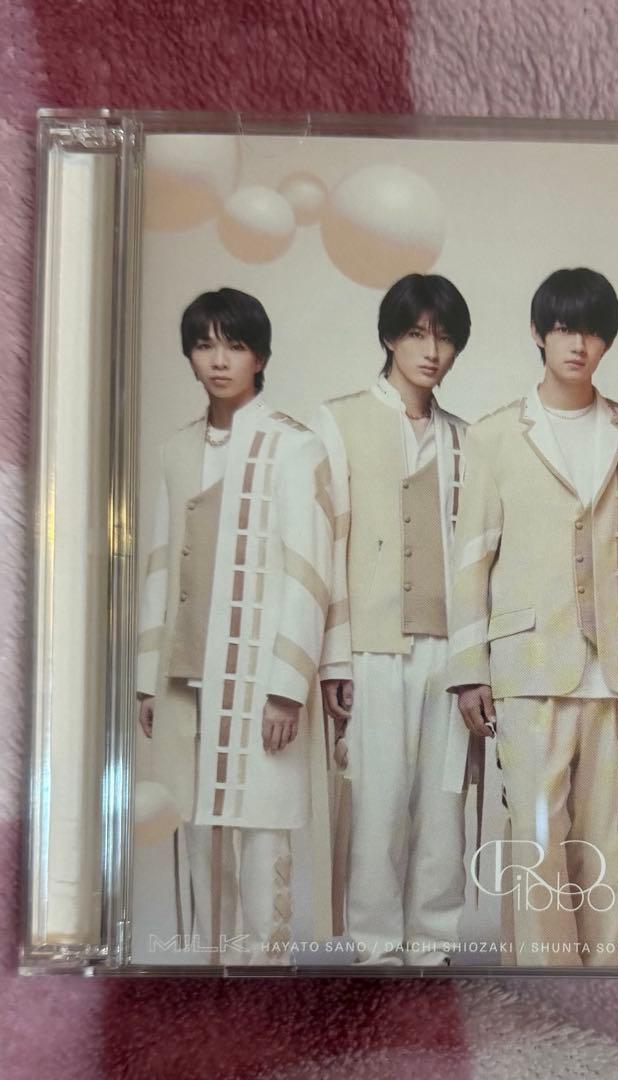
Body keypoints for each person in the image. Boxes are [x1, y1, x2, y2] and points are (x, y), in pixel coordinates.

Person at [445, 267, 618, 967]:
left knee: (609, 837)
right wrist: (469, 669)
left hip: (617, 665)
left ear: (608, 341)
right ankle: (545, 985)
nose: (579, 344)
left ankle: (599, 984)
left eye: (594, 331)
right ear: (538, 333)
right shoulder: (494, 436)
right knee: (537, 837)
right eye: (565, 328)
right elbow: (470, 561)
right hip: (527, 664)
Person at [136, 287, 334, 962]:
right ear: (190, 355)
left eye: (235, 345)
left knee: (261, 837)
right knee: (198, 836)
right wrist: (148, 680)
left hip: (258, 677)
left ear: (261, 357)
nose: (219, 361)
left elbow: (309, 572)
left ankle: (265, 989)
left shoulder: (293, 446)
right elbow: (160, 564)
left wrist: (287, 687)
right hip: (186, 677)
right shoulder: (176, 449)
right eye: (204, 345)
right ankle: (212, 987)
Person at [312, 273, 472, 966]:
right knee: (376, 803)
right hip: (372, 644)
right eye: (416, 334)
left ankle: (433, 947)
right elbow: (328, 542)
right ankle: (375, 950)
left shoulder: (465, 439)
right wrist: (334, 657)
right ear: (388, 337)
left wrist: (476, 659)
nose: (431, 351)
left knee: (442, 805)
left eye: (444, 338)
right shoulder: (339, 421)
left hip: (449, 646)